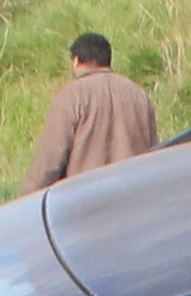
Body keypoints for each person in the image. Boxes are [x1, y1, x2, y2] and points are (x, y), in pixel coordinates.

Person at [23, 31, 158, 191]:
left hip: (86, 200)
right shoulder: (137, 93)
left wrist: (25, 200)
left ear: (76, 61)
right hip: (132, 196)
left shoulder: (71, 95)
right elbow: (153, 151)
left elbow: (49, 161)